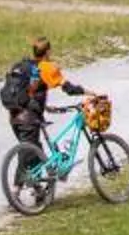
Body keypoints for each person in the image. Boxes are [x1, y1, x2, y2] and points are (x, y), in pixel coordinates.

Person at [5, 36, 92, 167]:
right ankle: (17, 186)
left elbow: (30, 91)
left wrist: (44, 106)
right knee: (29, 153)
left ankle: (41, 184)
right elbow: (69, 88)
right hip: (29, 119)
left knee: (34, 151)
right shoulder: (47, 67)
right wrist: (89, 92)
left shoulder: (24, 66)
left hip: (14, 116)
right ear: (48, 51)